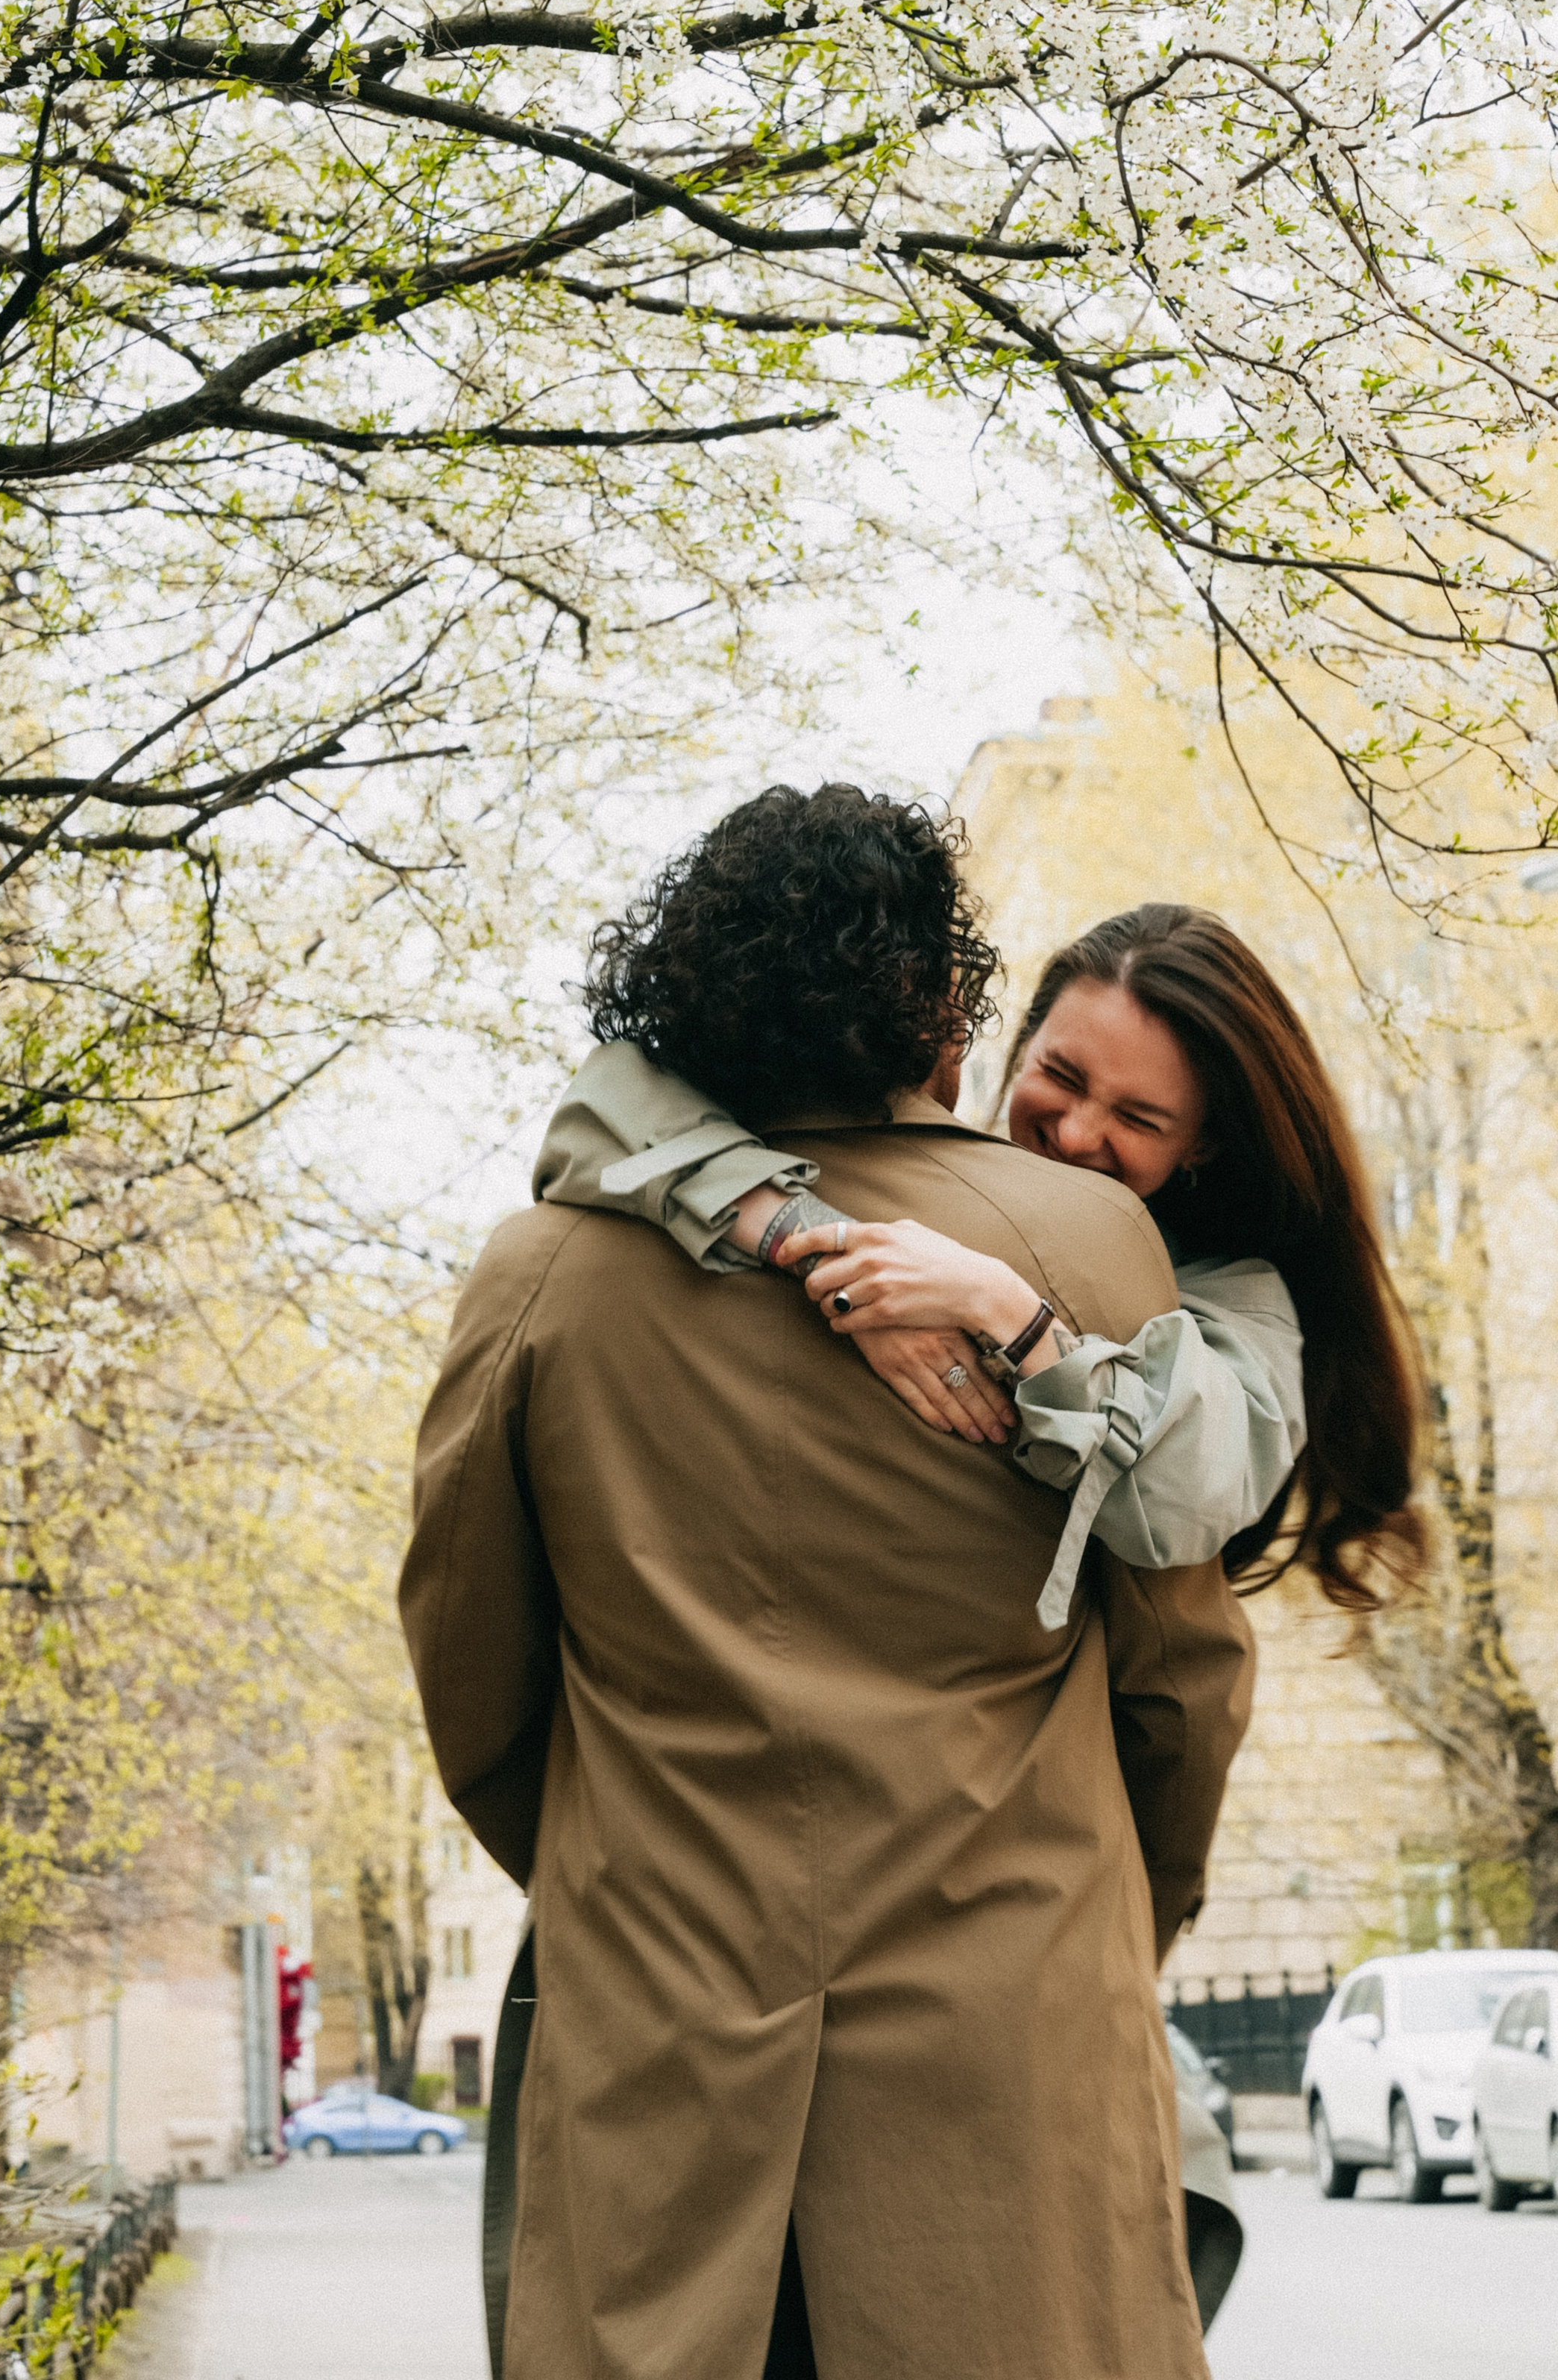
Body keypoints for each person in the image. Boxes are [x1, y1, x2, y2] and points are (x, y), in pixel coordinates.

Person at [401, 785, 1257, 2380]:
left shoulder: (535, 1281)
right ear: (942, 1011)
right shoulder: (1085, 1249)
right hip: (1008, 2044)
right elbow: (1181, 1682)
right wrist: (1103, 1920)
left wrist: (626, 1867)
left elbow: (474, 1683)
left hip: (658, 2039)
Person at [538, 899, 1426, 1632]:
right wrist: (809, 1239)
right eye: (1062, 1076)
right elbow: (607, 1101)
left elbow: (1190, 1495)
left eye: (1139, 1119)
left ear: (1203, 1144)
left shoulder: (1237, 1296)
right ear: (1018, 1039)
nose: (1076, 1134)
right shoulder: (904, 1180)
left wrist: (1011, 1314)